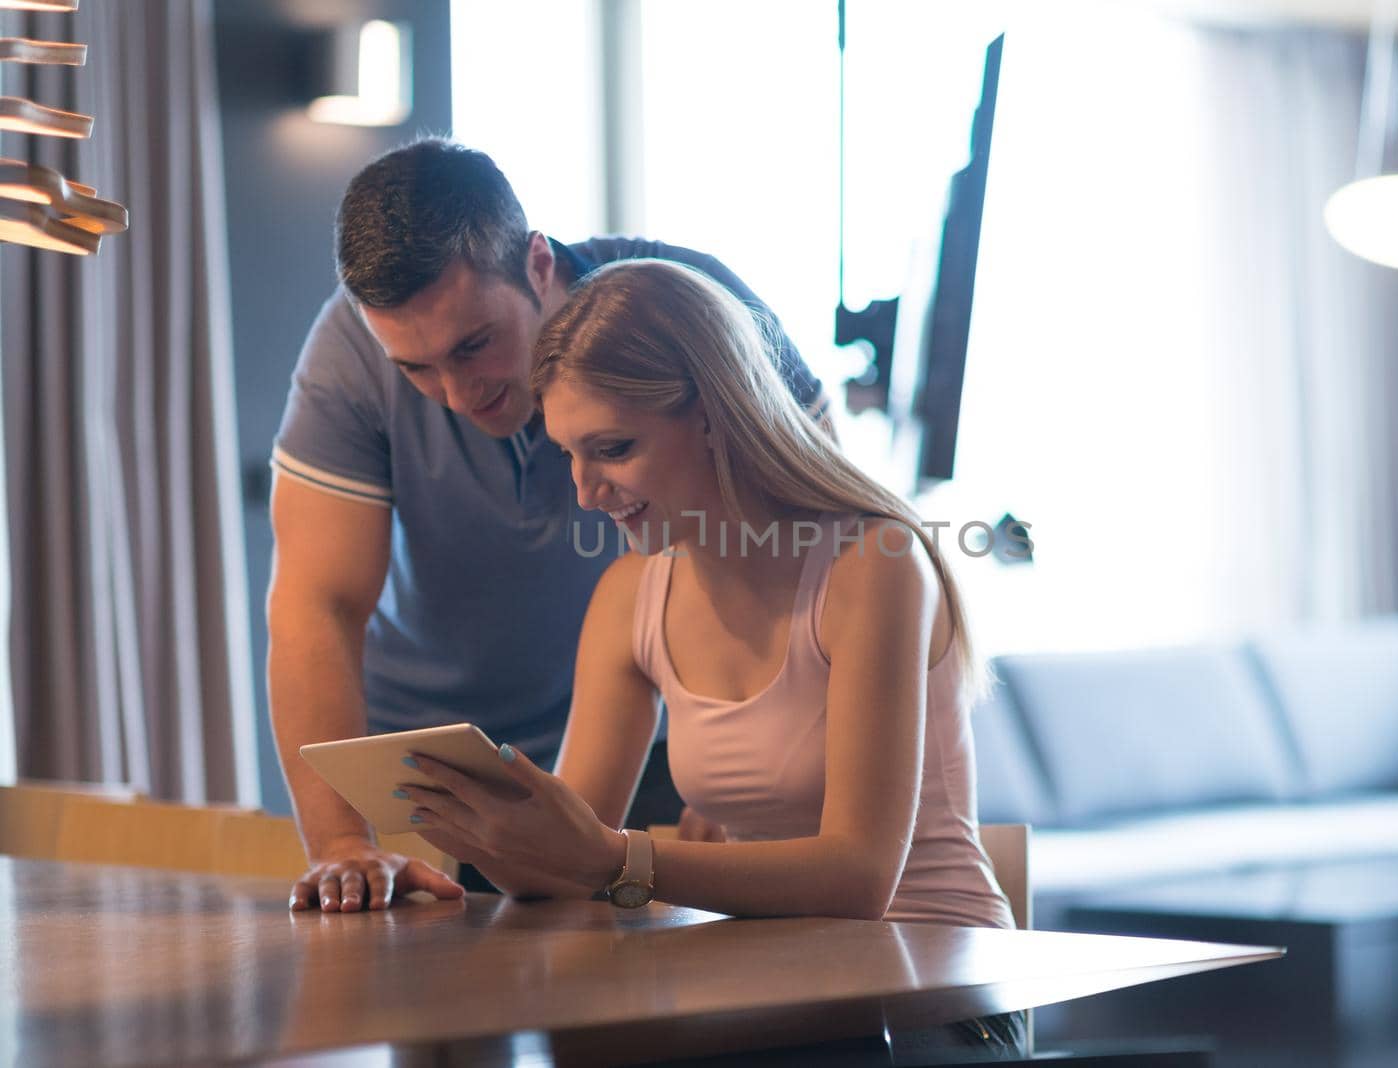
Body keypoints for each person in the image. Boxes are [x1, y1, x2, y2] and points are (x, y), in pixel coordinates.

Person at [396, 259, 1022, 1059]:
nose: (586, 492)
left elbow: (857, 881)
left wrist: (617, 858)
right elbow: (566, 859)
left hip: (941, 995)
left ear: (715, 416)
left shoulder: (874, 563)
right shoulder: (631, 596)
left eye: (613, 449)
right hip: (779, 990)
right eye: (568, 456)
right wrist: (467, 848)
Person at [271, 139, 827, 913]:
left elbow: (813, 519)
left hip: (664, 736)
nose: (458, 393)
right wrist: (342, 844)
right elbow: (315, 609)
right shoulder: (351, 357)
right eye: (418, 370)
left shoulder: (682, 309)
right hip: (444, 764)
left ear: (537, 264)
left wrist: (749, 742)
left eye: (475, 345)